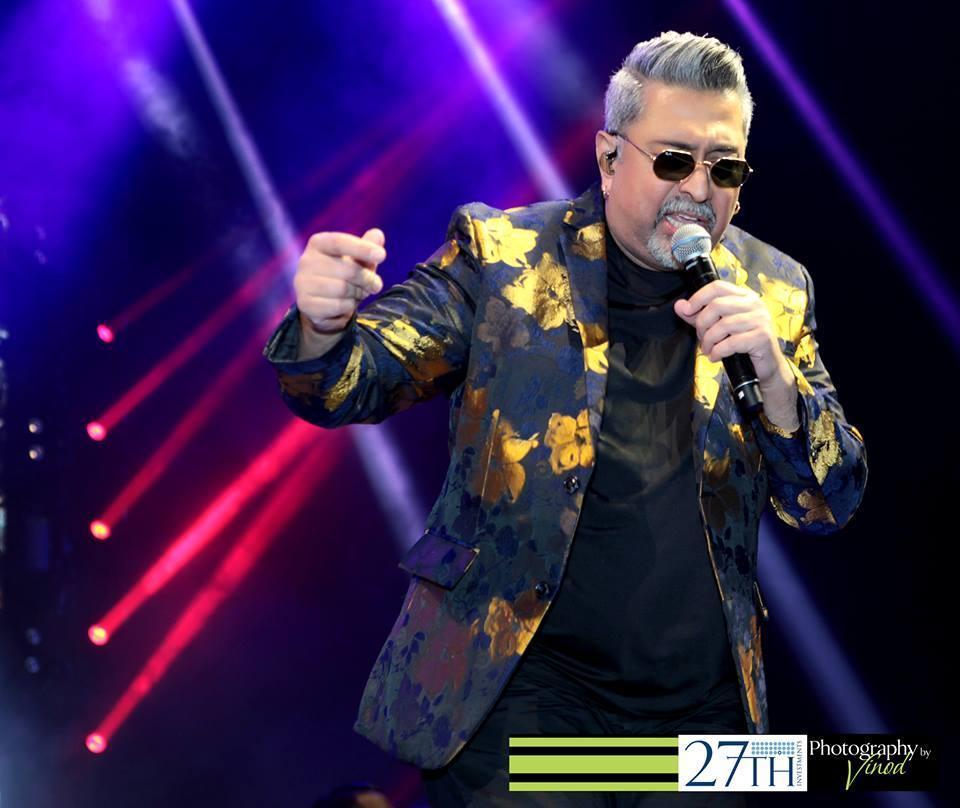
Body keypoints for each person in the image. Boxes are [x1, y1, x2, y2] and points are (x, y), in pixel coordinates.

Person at [263, 31, 867, 807]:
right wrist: (322, 327)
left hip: (699, 714)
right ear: (610, 157)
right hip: (522, 694)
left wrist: (778, 382)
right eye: (673, 160)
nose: (698, 189)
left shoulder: (775, 291)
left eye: (724, 169)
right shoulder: (504, 255)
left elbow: (829, 499)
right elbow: (350, 384)